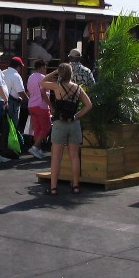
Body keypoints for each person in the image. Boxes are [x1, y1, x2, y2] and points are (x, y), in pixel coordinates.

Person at [41, 63, 92, 195]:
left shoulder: (57, 86)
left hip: (59, 123)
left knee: (56, 157)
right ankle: (75, 186)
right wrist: (76, 116)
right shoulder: (77, 88)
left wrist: (54, 72)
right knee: (74, 157)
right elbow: (88, 105)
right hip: (73, 124)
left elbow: (42, 82)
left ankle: (53, 188)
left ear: (61, 74)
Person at [26, 59, 52, 159]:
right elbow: (43, 93)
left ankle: (37, 149)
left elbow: (28, 91)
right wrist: (51, 105)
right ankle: (35, 147)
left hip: (31, 105)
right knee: (46, 127)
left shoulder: (31, 77)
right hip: (41, 105)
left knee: (37, 128)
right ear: (41, 67)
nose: (46, 69)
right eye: (45, 67)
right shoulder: (43, 78)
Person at [3, 56, 28, 129]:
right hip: (12, 104)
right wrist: (27, 100)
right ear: (18, 66)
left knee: (3, 126)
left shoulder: (3, 72)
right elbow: (20, 92)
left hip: (1, 101)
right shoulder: (16, 76)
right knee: (12, 127)